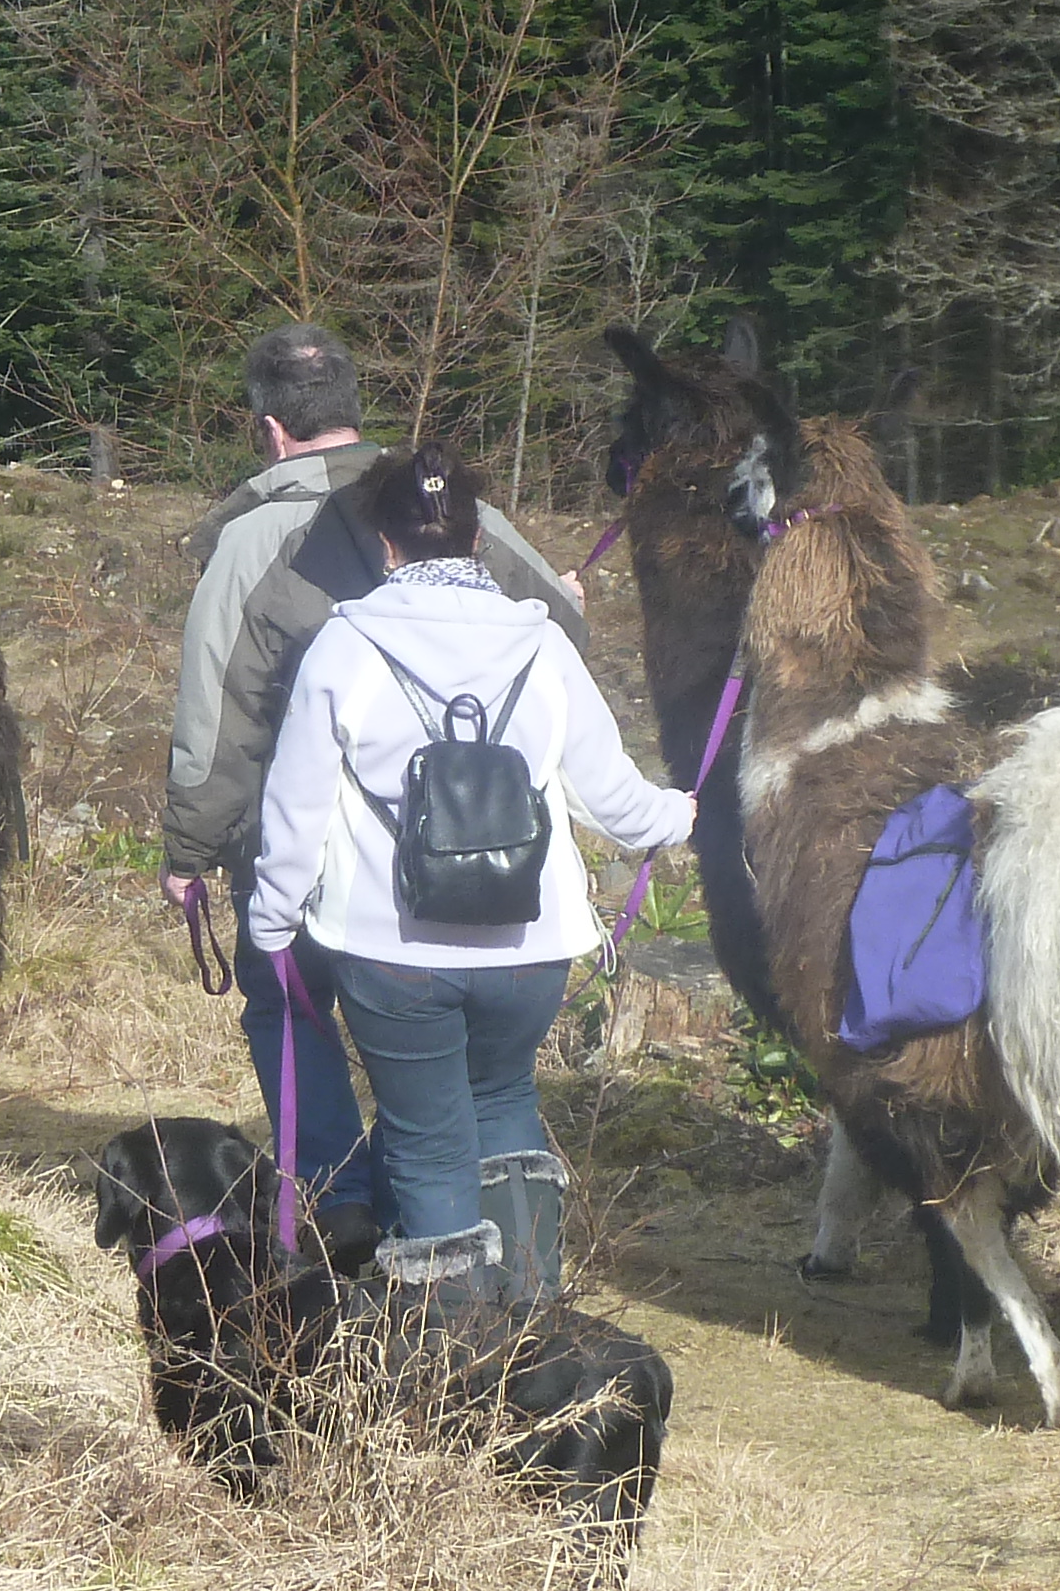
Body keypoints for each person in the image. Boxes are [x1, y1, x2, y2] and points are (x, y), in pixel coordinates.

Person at [244, 444, 690, 1326]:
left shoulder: (345, 643)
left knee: (426, 1139)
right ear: (479, 537)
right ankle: (535, 1332)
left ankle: (456, 1355)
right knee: (504, 1106)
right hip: (531, 953)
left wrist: (269, 927)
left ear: (385, 544)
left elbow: (293, 814)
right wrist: (689, 812)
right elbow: (622, 807)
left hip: (388, 951)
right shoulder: (544, 645)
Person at [161, 323, 587, 1240]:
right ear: (355, 411)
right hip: (453, 850)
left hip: (297, 844)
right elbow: (562, 643)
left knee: (287, 1006)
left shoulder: (246, 546)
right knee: (438, 1051)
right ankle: (444, 1222)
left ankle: (330, 1196)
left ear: (270, 429)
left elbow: (216, 717)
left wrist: (190, 851)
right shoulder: (462, 517)